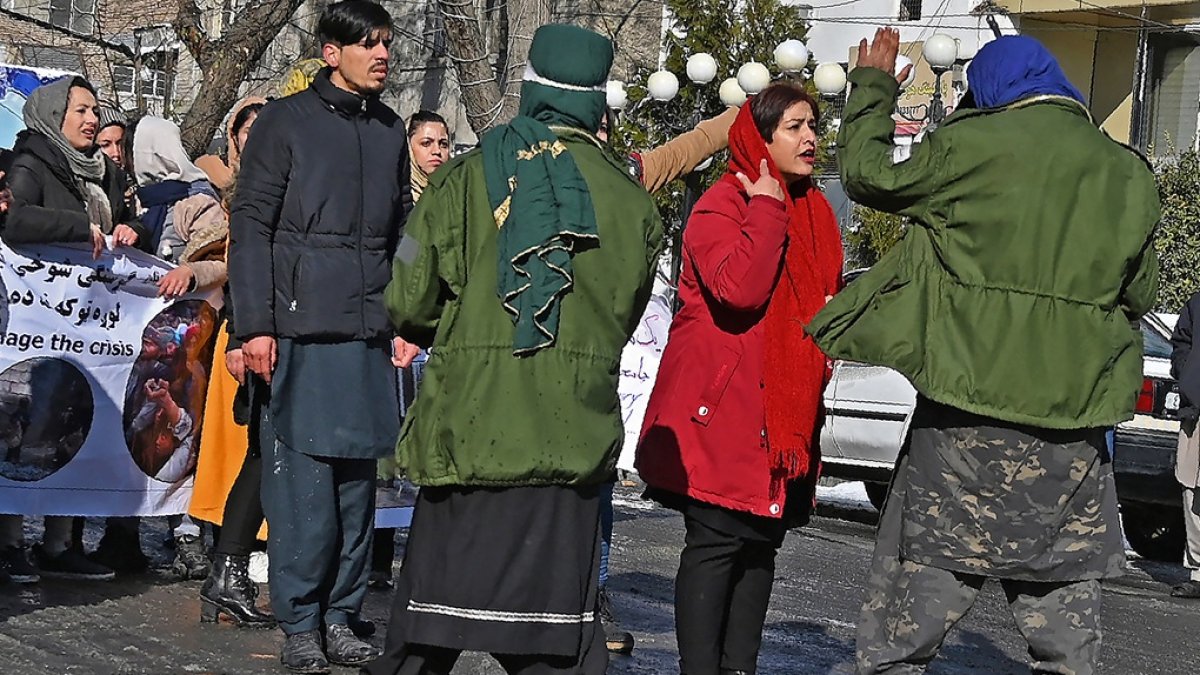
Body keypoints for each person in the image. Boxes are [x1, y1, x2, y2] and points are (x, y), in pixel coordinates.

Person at [806, 30, 1160, 675]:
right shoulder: (1127, 173)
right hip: (1071, 427)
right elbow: (1138, 292)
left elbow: (867, 175)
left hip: (963, 417)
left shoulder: (969, 149)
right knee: (1063, 622)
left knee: (911, 615)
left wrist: (875, 86)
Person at [366, 23, 662, 675]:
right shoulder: (631, 202)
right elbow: (626, 312)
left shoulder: (465, 177)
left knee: (424, 639)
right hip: (568, 443)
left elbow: (409, 294)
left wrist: (455, 321)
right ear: (595, 102)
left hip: (470, 436)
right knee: (551, 646)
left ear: (530, 89)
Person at [228, 1, 412, 670]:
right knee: (302, 489)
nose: (382, 53)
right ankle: (300, 621)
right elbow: (251, 228)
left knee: (357, 489)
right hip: (298, 334)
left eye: (387, 41)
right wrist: (255, 325)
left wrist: (410, 315)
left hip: (368, 334)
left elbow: (405, 236)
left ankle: (342, 614)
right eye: (368, 42)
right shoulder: (284, 123)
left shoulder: (391, 131)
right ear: (331, 52)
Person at [635, 82, 841, 675]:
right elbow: (739, 290)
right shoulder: (722, 203)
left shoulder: (815, 210)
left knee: (758, 550)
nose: (810, 138)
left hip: (778, 416)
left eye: (813, 125)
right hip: (721, 411)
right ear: (760, 136)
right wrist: (768, 205)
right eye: (795, 127)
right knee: (716, 545)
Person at [594, 103, 738, 655]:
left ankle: (593, 595)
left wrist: (745, 114)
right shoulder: (529, 173)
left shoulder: (626, 178)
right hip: (536, 359)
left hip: (598, 364)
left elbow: (685, 151)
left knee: (599, 484)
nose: (599, 132)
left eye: (606, 125)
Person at [0, 76, 148, 583]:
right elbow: (13, 220)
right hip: (38, 324)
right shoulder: (32, 160)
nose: (91, 120)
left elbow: (128, 222)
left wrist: (134, 230)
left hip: (89, 330)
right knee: (27, 426)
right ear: (53, 114)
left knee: (78, 423)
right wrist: (75, 230)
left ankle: (62, 543)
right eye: (80, 110)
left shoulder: (102, 170)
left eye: (94, 110)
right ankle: (11, 542)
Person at [193, 97, 274, 628]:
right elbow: (240, 263)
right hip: (256, 335)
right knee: (260, 449)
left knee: (266, 451)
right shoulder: (242, 192)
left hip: (288, 329)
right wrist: (242, 336)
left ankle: (233, 571)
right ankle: (225, 564)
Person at [368, 109, 452, 592]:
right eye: (427, 143)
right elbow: (402, 268)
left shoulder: (453, 199)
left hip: (438, 339)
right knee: (388, 450)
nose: (437, 151)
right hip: (399, 334)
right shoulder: (403, 203)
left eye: (443, 143)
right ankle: (376, 557)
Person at [1170, 291, 1200, 598]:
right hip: (1197, 409)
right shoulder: (1197, 303)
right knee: (1191, 486)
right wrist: (1187, 373)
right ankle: (1198, 571)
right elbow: (1181, 342)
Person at [196, 97, 267, 196]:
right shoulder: (209, 173)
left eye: (264, 132)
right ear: (234, 136)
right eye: (249, 132)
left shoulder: (284, 177)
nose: (256, 139)